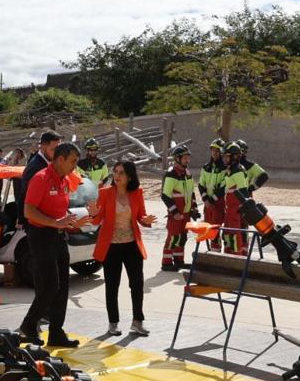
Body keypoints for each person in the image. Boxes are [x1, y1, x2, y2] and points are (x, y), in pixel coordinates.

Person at [17, 141, 84, 348]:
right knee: (50, 286)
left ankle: (56, 333)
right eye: (73, 161)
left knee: (63, 286)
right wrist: (54, 223)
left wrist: (71, 221)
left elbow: (58, 212)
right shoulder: (40, 178)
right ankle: (28, 325)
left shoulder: (64, 180)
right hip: (41, 236)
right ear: (60, 159)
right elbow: (29, 211)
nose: (75, 166)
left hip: (58, 236)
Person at [90, 160, 153, 336]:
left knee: (137, 284)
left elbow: (141, 215)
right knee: (112, 286)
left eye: (121, 173)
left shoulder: (137, 192)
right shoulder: (105, 193)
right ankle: (113, 323)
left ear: (129, 177)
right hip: (111, 246)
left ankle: (137, 322)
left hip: (132, 244)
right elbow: (96, 220)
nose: (116, 176)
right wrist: (93, 213)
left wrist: (146, 220)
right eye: (115, 172)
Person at [159, 145, 196, 271]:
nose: (187, 160)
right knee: (173, 237)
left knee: (182, 237)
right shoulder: (171, 174)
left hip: (185, 213)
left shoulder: (188, 174)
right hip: (176, 214)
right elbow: (165, 195)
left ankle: (179, 261)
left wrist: (194, 209)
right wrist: (174, 212)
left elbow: (192, 193)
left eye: (188, 158)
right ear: (177, 159)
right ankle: (166, 263)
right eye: (185, 158)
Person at [14, 131, 61, 209]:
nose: (58, 153)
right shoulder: (35, 168)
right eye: (54, 149)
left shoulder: (51, 163)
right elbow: (31, 204)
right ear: (43, 147)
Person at [197, 138, 227, 230]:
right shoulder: (206, 167)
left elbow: (223, 189)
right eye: (213, 150)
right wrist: (205, 199)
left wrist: (211, 201)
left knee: (215, 231)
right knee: (208, 230)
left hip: (218, 203)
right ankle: (210, 245)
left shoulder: (225, 168)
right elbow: (201, 185)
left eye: (218, 151)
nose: (215, 153)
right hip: (208, 204)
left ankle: (215, 244)